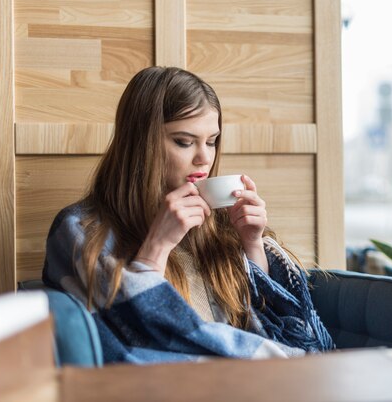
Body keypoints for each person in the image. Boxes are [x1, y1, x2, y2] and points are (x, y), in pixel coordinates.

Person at [42, 66, 334, 363]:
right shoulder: (82, 230)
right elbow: (126, 334)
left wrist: (252, 245)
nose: (205, 158)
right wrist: (157, 247)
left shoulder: (222, 226)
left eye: (212, 141)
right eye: (184, 141)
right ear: (141, 143)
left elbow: (271, 327)